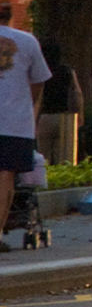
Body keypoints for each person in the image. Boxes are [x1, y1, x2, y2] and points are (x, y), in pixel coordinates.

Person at [0, 21, 50, 249]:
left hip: (15, 121)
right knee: (6, 177)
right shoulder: (27, 41)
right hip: (14, 121)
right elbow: (38, 81)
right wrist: (27, 105)